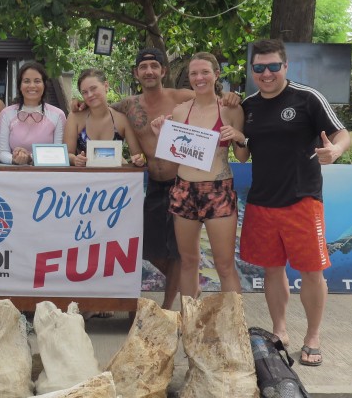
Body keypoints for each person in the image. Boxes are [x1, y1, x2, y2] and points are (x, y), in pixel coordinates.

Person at [237, 38, 351, 367]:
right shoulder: (249, 106)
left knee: (312, 272)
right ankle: (280, 331)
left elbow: (342, 134)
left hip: (303, 201)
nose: (267, 73)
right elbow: (243, 152)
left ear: (286, 66)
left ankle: (313, 336)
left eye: (274, 66)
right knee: (272, 271)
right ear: (252, 70)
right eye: (259, 68)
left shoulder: (307, 98)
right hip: (261, 201)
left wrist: (336, 151)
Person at [105, 48, 239, 310]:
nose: (149, 71)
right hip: (157, 186)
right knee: (153, 249)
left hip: (187, 182)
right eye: (143, 67)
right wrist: (80, 105)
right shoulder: (129, 105)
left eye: (155, 66)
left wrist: (233, 97)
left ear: (163, 71)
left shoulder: (183, 98)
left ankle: (170, 307)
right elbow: (101, 109)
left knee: (186, 256)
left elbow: (213, 97)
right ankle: (185, 297)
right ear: (136, 73)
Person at [149, 52, 245, 301]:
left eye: (204, 72)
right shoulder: (180, 112)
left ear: (216, 74)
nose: (199, 78)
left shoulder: (231, 109)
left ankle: (233, 330)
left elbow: (243, 156)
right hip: (184, 190)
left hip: (218, 191)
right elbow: (174, 156)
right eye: (194, 73)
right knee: (188, 262)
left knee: (224, 266)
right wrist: (161, 135)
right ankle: (190, 323)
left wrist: (238, 136)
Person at [65, 68, 145, 168]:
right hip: (85, 180)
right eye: (84, 92)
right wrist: (75, 160)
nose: (90, 95)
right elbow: (66, 155)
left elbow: (138, 154)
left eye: (93, 88)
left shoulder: (121, 119)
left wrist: (139, 159)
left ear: (106, 86)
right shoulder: (75, 118)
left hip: (116, 179)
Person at [0, 61, 66, 165]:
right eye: (26, 81)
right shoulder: (6, 114)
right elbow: (2, 152)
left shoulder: (58, 115)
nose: (32, 86)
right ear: (19, 85)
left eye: (37, 81)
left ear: (44, 85)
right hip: (14, 174)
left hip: (46, 176)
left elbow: (58, 152)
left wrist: (30, 158)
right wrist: (15, 159)